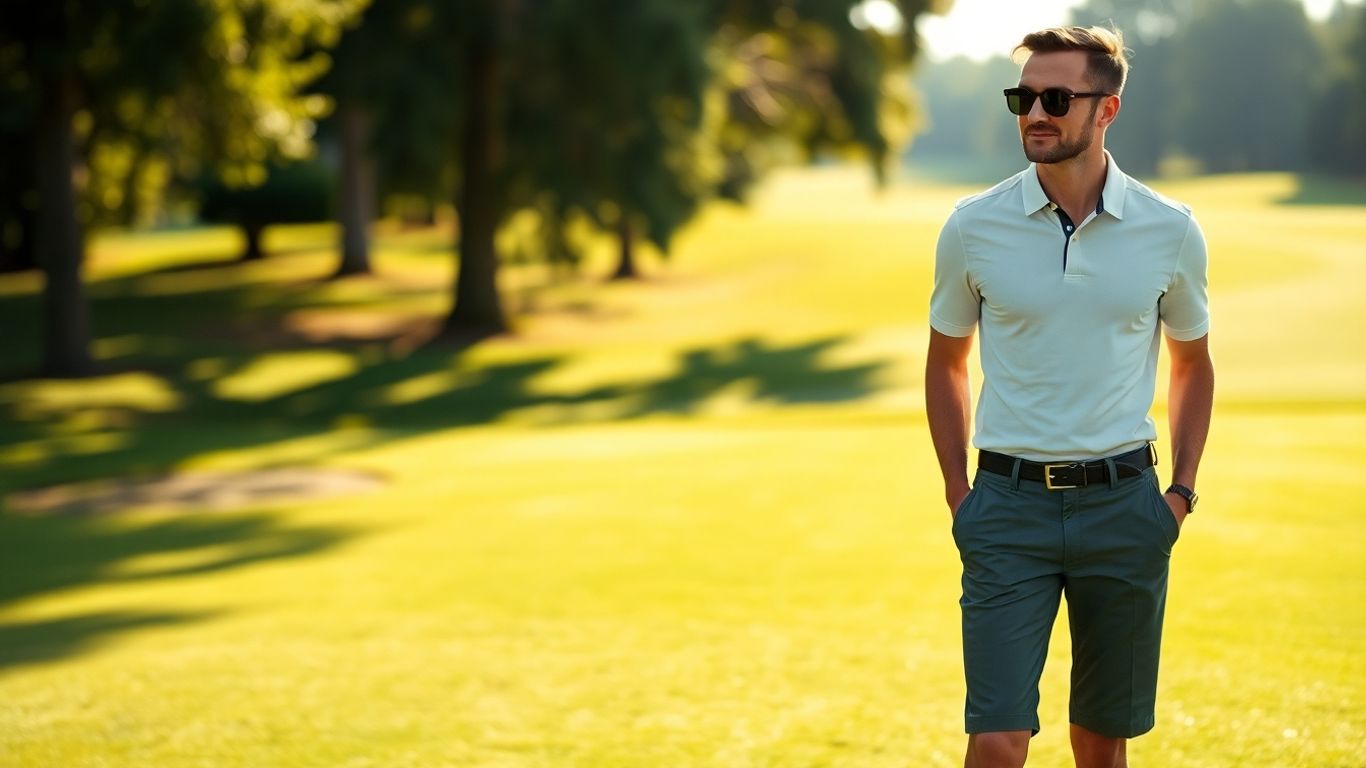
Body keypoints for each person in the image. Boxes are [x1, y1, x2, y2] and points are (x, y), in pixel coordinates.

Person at [924, 25, 1215, 768]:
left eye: (1056, 97)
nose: (1035, 114)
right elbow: (946, 362)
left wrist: (1177, 494)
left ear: (1107, 109)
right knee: (996, 738)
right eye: (1023, 98)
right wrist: (961, 494)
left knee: (1100, 741)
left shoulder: (1171, 230)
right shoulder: (972, 226)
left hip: (1125, 507)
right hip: (1005, 508)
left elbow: (1193, 366)